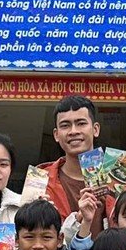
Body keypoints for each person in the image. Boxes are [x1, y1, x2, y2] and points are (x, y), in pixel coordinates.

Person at [26, 93, 105, 223]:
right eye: (65, 125)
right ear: (56, 135)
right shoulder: (38, 177)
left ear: (95, 129)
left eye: (81, 123)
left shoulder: (120, 170)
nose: (73, 131)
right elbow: (25, 228)